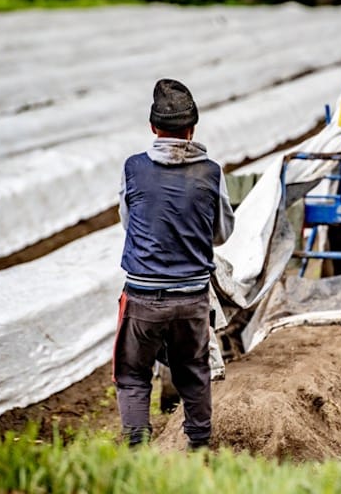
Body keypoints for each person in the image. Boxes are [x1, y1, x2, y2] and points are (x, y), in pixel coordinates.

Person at [112, 78, 235, 450]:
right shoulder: (211, 173)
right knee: (194, 373)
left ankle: (137, 454)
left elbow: (128, 220)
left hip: (142, 295)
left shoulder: (133, 168)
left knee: (133, 374)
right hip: (192, 297)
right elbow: (222, 232)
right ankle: (199, 452)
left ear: (153, 128)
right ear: (192, 129)